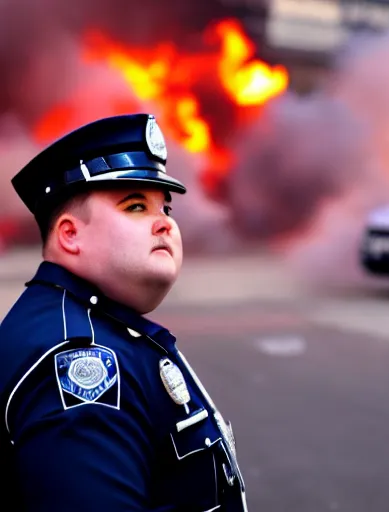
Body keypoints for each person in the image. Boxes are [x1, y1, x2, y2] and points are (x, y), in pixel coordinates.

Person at [0, 113, 248, 511]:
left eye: (165, 208)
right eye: (135, 206)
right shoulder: (77, 358)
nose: (164, 224)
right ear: (70, 234)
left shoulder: (96, 326)